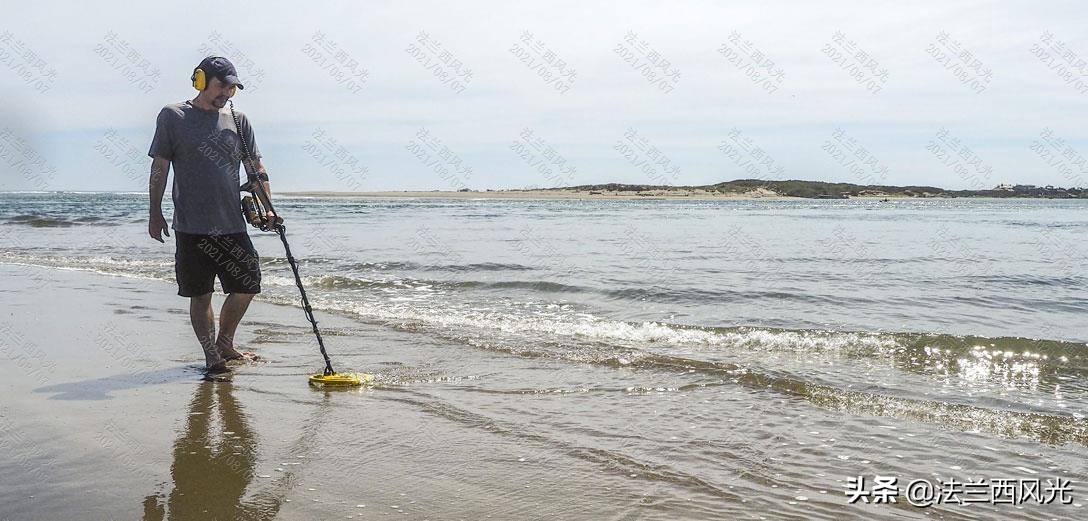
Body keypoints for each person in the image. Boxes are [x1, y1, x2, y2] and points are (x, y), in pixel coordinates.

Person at [147, 56, 276, 374]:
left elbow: (255, 168)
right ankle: (211, 356)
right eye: (222, 86)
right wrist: (154, 212)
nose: (227, 93)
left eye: (232, 88)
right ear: (201, 80)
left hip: (232, 223)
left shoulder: (238, 119)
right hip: (191, 226)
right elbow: (159, 167)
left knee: (247, 284)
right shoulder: (173, 116)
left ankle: (225, 344)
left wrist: (269, 207)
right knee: (201, 294)